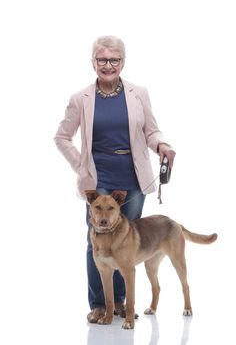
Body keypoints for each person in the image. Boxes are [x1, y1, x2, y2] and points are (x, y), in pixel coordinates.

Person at [54, 35, 176, 323]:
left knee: (126, 243)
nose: (108, 65)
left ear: (123, 62)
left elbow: (150, 131)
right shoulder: (80, 99)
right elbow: (61, 137)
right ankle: (99, 304)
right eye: (102, 60)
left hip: (133, 179)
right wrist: (81, 165)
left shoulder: (139, 93)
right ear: (93, 62)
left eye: (114, 60)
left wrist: (161, 145)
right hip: (98, 181)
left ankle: (119, 304)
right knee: (96, 242)